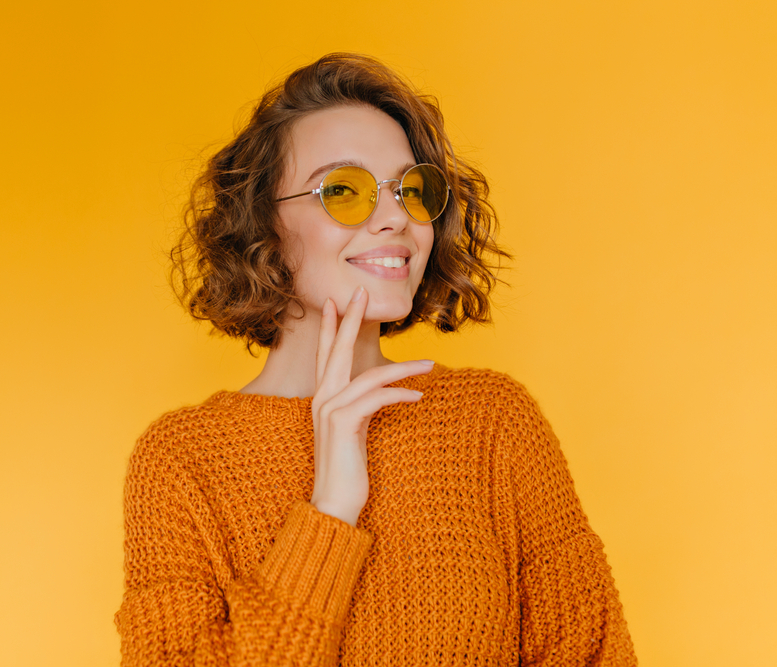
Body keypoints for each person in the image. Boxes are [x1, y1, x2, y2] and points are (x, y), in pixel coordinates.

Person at [114, 53, 637, 666]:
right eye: (344, 190)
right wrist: (330, 511)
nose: (396, 218)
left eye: (412, 190)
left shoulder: (494, 424)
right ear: (263, 223)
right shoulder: (182, 462)